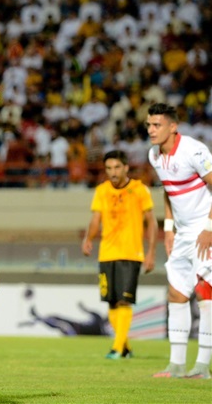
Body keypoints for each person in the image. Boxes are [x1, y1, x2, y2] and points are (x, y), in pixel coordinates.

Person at [146, 103, 212, 379]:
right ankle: (176, 365)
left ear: (173, 127)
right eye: (149, 125)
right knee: (176, 294)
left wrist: (209, 227)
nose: (151, 130)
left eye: (157, 125)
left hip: (204, 228)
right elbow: (168, 190)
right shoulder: (154, 155)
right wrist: (169, 229)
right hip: (182, 232)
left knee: (205, 293)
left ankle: (203, 367)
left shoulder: (194, 150)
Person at [81, 150, 158, 359]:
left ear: (126, 168)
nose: (113, 172)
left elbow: (151, 222)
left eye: (116, 167)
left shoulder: (139, 189)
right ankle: (125, 348)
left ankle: (116, 348)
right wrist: (88, 238)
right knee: (112, 302)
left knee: (124, 301)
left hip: (130, 253)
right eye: (108, 168)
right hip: (107, 253)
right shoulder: (102, 190)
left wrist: (151, 252)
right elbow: (95, 219)